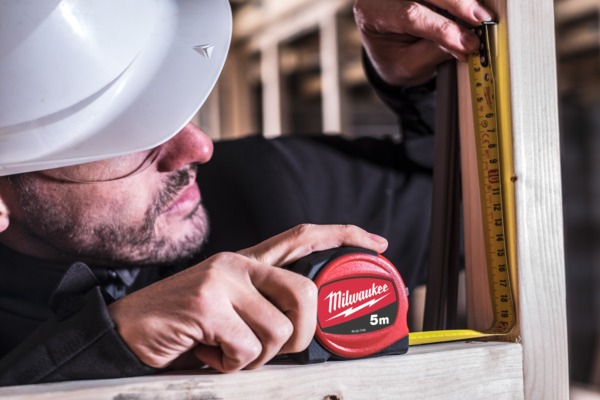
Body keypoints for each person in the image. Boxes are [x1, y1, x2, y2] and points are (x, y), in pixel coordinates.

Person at [0, 0, 493, 386]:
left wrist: (419, 82)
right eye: (128, 140)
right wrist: (105, 345)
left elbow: (474, 214)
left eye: (169, 108)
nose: (199, 148)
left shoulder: (262, 188)